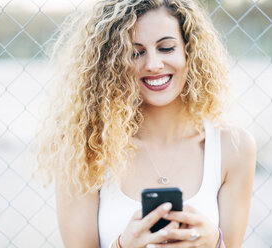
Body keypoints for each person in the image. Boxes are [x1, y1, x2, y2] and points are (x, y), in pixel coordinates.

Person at [34, 0, 256, 247]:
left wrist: (214, 242)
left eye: (166, 48)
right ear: (111, 63)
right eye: (135, 52)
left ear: (189, 50)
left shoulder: (233, 148)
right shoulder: (85, 150)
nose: (153, 65)